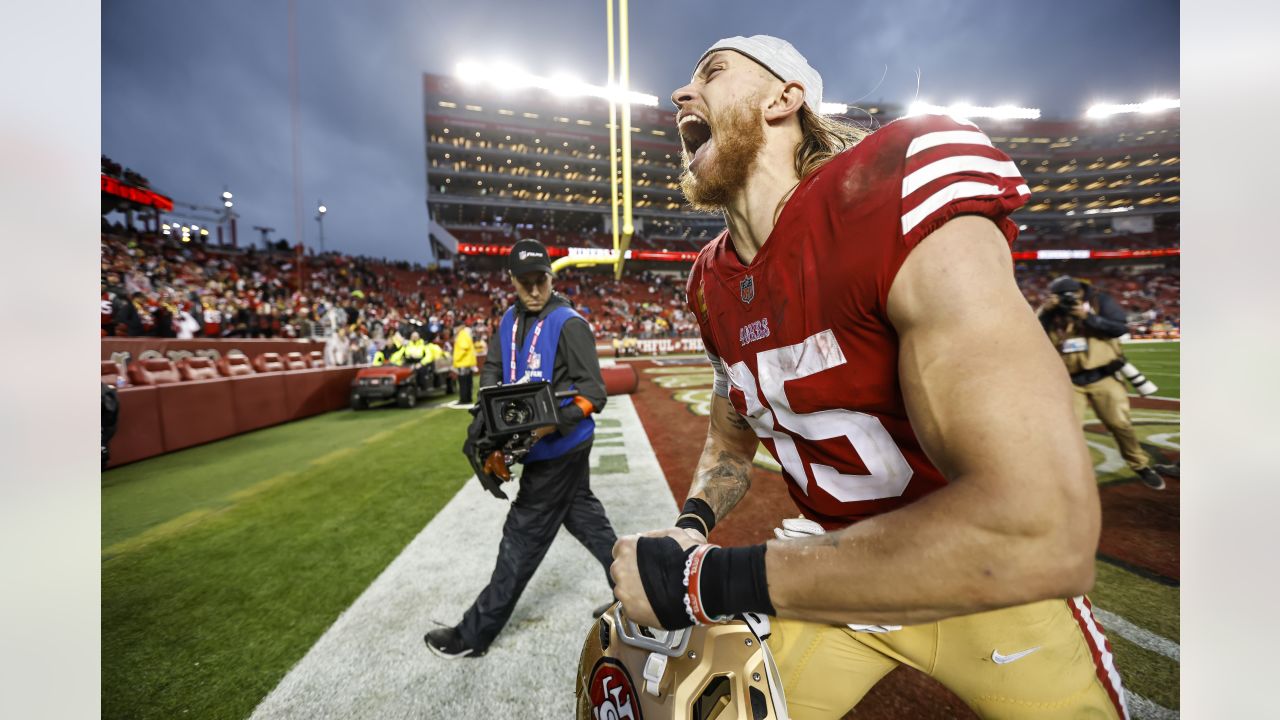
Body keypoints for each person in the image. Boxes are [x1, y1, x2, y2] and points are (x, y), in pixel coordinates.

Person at [607, 36, 1129, 718]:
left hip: (984, 587)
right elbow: (732, 440)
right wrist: (691, 527)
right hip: (830, 582)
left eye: (712, 72)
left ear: (784, 99)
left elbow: (1039, 528)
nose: (681, 92)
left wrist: (707, 581)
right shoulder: (710, 283)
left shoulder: (890, 188)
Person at [426, 239, 617, 659]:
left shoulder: (570, 324)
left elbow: (594, 395)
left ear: (551, 277)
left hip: (562, 448)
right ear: (512, 281)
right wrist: (486, 427)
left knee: (520, 538)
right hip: (535, 448)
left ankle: (473, 635)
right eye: (525, 282)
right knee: (587, 521)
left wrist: (554, 423)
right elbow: (493, 376)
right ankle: (639, 601)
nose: (534, 289)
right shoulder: (507, 322)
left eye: (541, 280)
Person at [1039, 275, 1177, 490]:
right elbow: (1033, 336)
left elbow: (1120, 329)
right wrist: (1045, 311)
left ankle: (1140, 465)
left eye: (1070, 296)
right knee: (1068, 430)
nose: (1067, 300)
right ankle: (1070, 474)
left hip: (1103, 375)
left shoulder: (1099, 302)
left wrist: (1088, 317)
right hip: (1070, 381)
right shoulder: (1050, 313)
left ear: (1080, 292)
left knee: (1120, 424)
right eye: (1060, 297)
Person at [449, 324, 478, 407]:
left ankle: (464, 399)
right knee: (468, 381)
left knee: (463, 382)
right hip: (467, 362)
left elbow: (464, 347)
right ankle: (468, 398)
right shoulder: (466, 333)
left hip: (463, 362)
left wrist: (456, 358)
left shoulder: (462, 335)